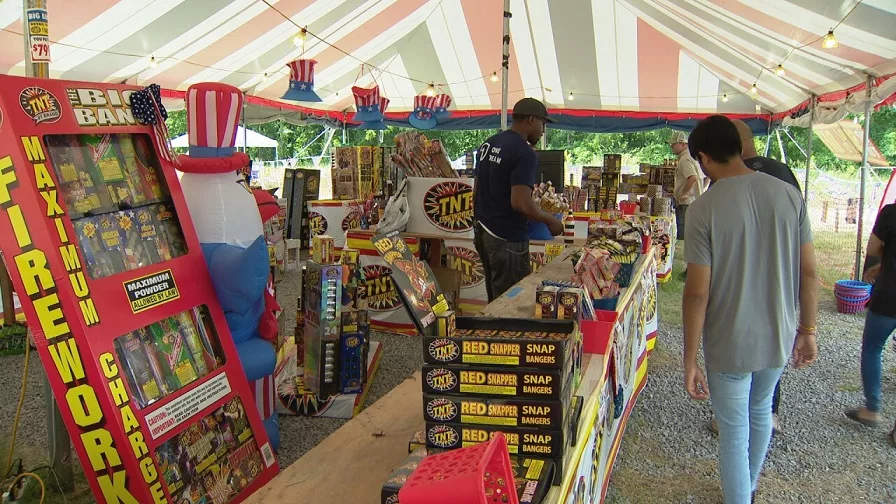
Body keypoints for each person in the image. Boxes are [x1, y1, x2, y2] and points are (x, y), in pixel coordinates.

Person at [682, 115, 818, 504]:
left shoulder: (703, 210)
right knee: (760, 411)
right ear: (740, 148)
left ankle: (740, 494)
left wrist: (689, 359)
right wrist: (808, 330)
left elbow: (696, 294)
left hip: (729, 339)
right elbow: (809, 273)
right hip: (779, 331)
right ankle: (749, 486)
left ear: (704, 159)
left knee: (733, 430)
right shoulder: (789, 194)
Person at [706, 119, 803, 436]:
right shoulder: (782, 176)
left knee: (742, 368)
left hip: (741, 288)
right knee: (767, 364)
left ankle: (739, 419)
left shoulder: (726, 179)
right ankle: (763, 414)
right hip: (776, 288)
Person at [473, 98, 563, 301]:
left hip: (484, 233)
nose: (543, 131)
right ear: (531, 120)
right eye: (543, 124)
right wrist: (551, 220)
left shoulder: (489, 143)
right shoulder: (524, 152)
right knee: (510, 303)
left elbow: (476, 190)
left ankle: (491, 332)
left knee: (495, 299)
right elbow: (520, 203)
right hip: (508, 238)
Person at [844, 203, 896, 447]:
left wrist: (883, 262)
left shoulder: (891, 212)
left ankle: (872, 409)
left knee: (873, 348)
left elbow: (874, 247)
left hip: (889, 295)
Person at [669, 130, 704, 239]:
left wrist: (682, 194)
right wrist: (702, 190)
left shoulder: (685, 159)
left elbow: (692, 178)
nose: (672, 147)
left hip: (686, 203)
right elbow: (704, 177)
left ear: (683, 144)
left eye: (674, 144)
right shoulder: (693, 157)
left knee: (682, 235)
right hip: (694, 201)